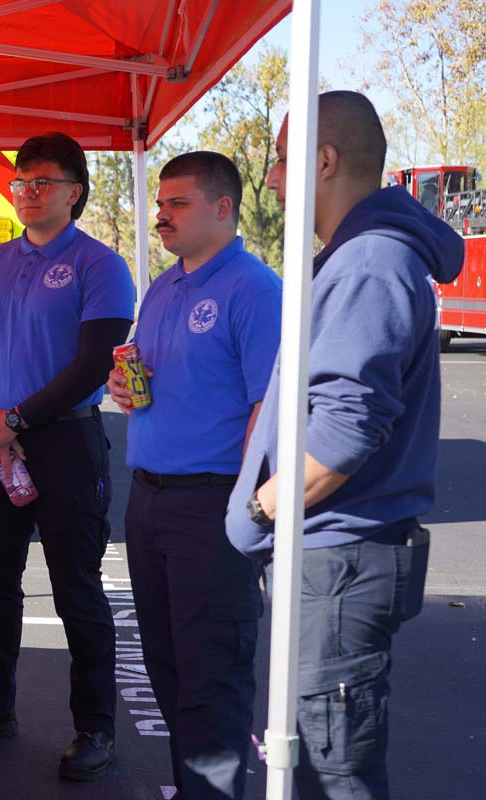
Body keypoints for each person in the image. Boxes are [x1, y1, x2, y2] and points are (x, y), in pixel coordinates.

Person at [226, 91, 464, 799]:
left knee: (335, 771)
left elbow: (345, 431)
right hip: (334, 560)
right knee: (321, 754)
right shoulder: (355, 257)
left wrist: (261, 509)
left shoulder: (368, 265)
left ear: (323, 162)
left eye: (280, 161)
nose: (270, 179)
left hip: (340, 563)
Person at [0, 131, 135, 782]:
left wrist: (15, 418)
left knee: (77, 590)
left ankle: (95, 728)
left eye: (40, 182)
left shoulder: (100, 265)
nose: (25, 192)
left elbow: (93, 364)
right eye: (19, 182)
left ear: (74, 193)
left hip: (66, 442)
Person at [107, 152, 282, 798]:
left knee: (211, 684)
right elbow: (147, 373)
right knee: (169, 672)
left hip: (215, 507)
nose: (161, 216)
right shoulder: (163, 287)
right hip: (149, 503)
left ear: (223, 208)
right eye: (161, 204)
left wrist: (245, 507)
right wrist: (124, 385)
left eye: (177, 204)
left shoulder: (254, 289)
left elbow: (270, 410)